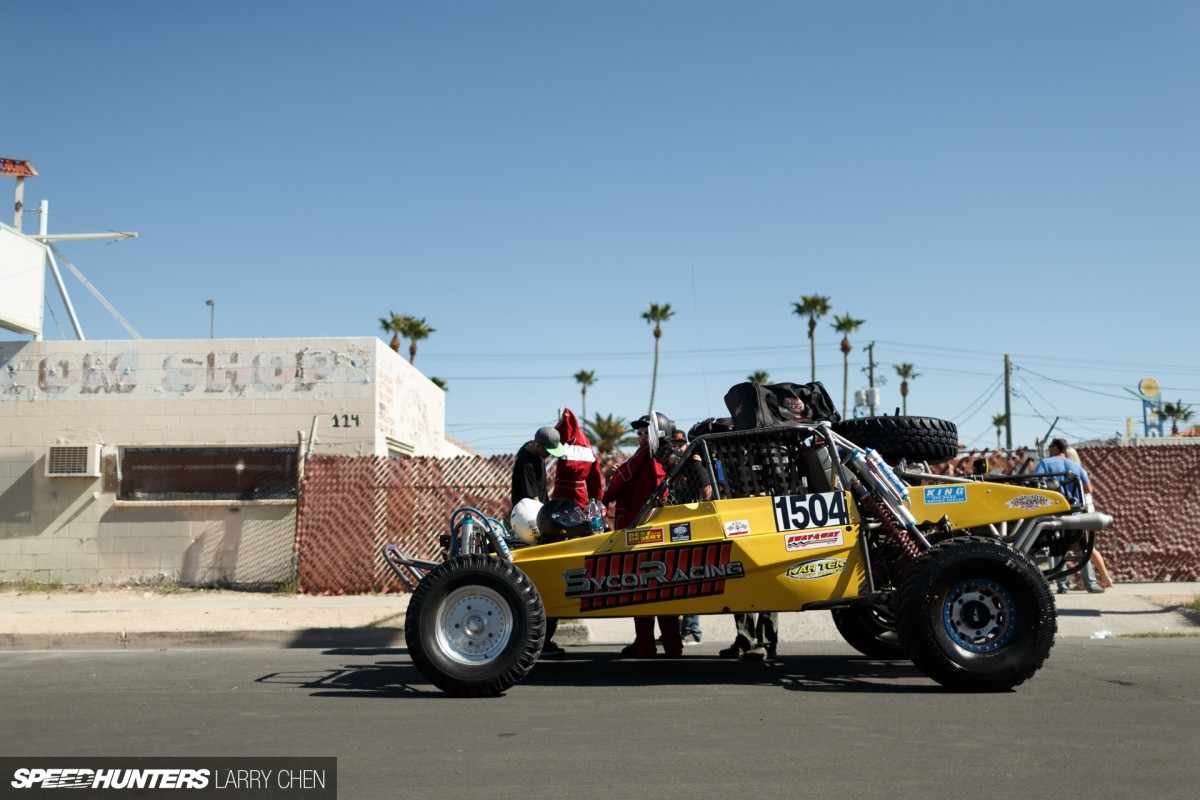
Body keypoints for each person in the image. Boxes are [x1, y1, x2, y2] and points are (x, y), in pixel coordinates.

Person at [603, 412, 683, 658]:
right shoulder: (673, 458)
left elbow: (615, 487)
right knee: (665, 589)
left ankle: (646, 645)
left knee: (642, 589)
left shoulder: (647, 454)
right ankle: (672, 645)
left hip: (641, 533)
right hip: (666, 531)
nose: (640, 437)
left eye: (642, 432)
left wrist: (613, 475)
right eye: (638, 433)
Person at [511, 424, 568, 657]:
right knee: (545, 582)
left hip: (538, 519)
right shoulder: (526, 462)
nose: (548, 456)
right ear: (537, 445)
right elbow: (532, 500)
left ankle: (544, 640)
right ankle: (541, 642)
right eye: (547, 451)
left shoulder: (537, 457)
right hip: (531, 526)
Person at [1035, 438, 1104, 594]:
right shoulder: (1076, 466)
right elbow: (1088, 489)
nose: (1048, 449)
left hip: (1054, 512)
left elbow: (1036, 484)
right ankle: (1091, 583)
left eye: (1050, 446)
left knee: (1057, 549)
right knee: (1082, 549)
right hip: (1075, 512)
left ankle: (1062, 585)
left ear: (1055, 448)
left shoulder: (1045, 463)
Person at [671, 428, 711, 645]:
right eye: (674, 446)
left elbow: (706, 487)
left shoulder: (692, 462)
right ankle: (679, 630)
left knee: (690, 578)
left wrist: (703, 515)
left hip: (693, 525)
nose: (678, 449)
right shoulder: (675, 465)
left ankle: (692, 630)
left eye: (680, 445)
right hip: (679, 525)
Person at [551, 408, 604, 511]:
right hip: (578, 494)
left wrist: (595, 500)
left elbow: (594, 477)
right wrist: (596, 500)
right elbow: (595, 479)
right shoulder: (586, 444)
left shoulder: (563, 440)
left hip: (562, 493)